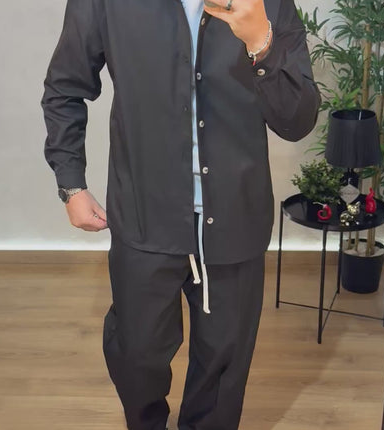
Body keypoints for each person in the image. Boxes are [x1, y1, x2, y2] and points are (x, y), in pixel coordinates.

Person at [41, 0, 321, 428]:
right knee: (136, 354)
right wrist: (71, 183)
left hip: (235, 217)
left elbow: (297, 121)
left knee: (223, 368)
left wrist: (261, 45)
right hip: (144, 213)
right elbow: (65, 85)